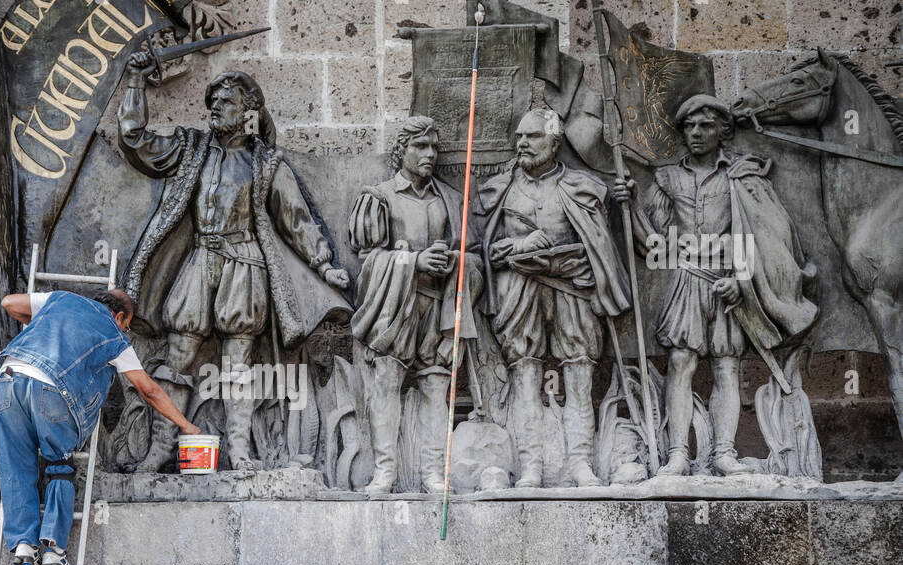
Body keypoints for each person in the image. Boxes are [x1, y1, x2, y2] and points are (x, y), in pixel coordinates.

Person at [118, 58, 350, 472]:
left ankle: (240, 450)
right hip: (199, 260)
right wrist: (135, 81)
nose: (215, 106)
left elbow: (296, 219)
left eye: (226, 100)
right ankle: (161, 447)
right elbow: (135, 140)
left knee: (238, 365)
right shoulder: (190, 149)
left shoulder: (265, 165)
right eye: (213, 100)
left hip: (245, 265)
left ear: (248, 111)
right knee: (179, 355)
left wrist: (324, 263)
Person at [613, 94, 818, 476]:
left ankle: (724, 452)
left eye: (705, 126)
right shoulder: (668, 178)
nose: (695, 133)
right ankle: (677, 453)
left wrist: (743, 281)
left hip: (728, 281)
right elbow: (653, 241)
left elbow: (772, 238)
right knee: (681, 361)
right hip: (687, 278)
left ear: (723, 131)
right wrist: (628, 205)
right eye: (689, 127)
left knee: (727, 366)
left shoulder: (742, 176)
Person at [0, 287, 199, 565]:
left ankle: (24, 547)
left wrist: (37, 323)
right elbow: (149, 390)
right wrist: (187, 426)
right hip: (50, 389)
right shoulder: (113, 334)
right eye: (126, 325)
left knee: (15, 464)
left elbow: (9, 303)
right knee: (59, 465)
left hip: (9, 377)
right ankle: (53, 551)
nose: (124, 331)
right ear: (119, 316)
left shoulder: (61, 299)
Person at [476, 109, 631, 487]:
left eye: (531, 137)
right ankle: (531, 465)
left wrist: (629, 199)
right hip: (520, 291)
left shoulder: (584, 187)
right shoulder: (500, 190)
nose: (522, 144)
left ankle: (581, 463)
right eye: (519, 137)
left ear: (554, 142)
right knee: (525, 374)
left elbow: (604, 246)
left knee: (580, 373)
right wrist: (518, 244)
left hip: (572, 288)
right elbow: (482, 250)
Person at [347, 115, 481, 493]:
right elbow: (368, 260)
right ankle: (385, 472)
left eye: (435, 147)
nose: (430, 154)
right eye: (420, 146)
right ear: (401, 151)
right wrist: (413, 261)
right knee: (386, 384)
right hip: (394, 308)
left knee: (437, 389)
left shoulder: (452, 201)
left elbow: (475, 259)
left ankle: (433, 474)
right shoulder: (379, 198)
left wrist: (456, 263)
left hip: (437, 308)